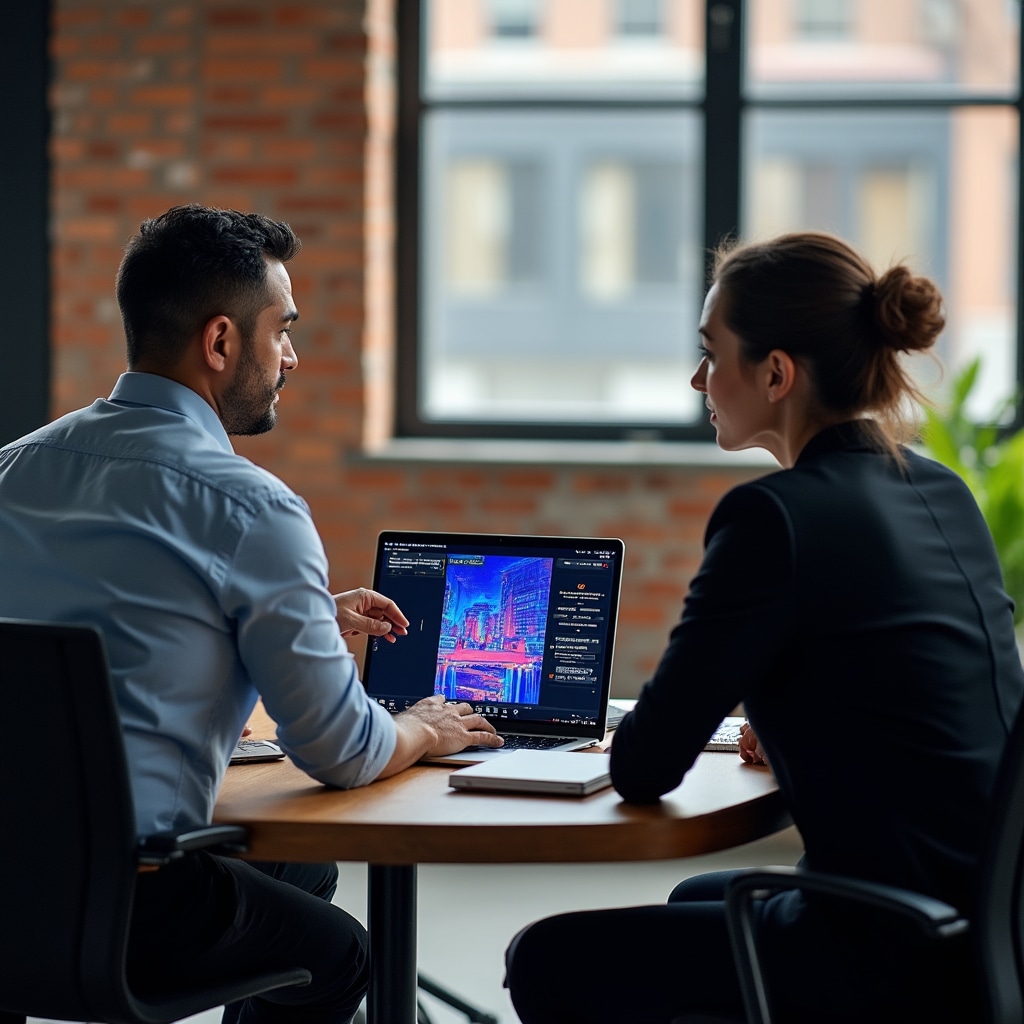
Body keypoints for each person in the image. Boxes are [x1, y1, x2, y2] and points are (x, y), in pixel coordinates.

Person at [503, 232, 1024, 1023]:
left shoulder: (772, 518)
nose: (697, 378)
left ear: (777, 373)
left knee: (547, 957)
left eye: (712, 354)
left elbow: (647, 766)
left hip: (888, 949)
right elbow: (918, 690)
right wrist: (792, 728)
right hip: (987, 924)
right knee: (697, 898)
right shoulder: (939, 487)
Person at [0, 204, 502, 1024]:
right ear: (222, 342)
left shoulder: (14, 468)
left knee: (300, 874)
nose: (293, 357)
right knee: (342, 958)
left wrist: (292, 617)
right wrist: (424, 728)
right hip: (135, 902)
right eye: (283, 331)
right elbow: (342, 752)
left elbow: (105, 636)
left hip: (13, 888)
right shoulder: (246, 506)